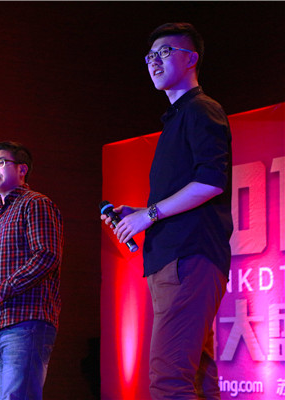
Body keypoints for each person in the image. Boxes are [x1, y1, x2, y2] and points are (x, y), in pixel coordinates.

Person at [101, 23, 232, 399]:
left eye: (164, 53)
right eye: (149, 56)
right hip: (174, 260)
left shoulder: (201, 110)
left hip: (187, 256)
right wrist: (141, 211)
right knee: (197, 379)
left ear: (191, 59)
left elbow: (211, 181)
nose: (154, 62)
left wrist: (149, 215)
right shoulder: (178, 118)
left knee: (169, 379)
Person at [0, 141, 64, 400]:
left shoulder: (36, 203)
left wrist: (3, 289)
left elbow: (47, 255)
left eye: (0, 163)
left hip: (26, 320)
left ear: (22, 169)